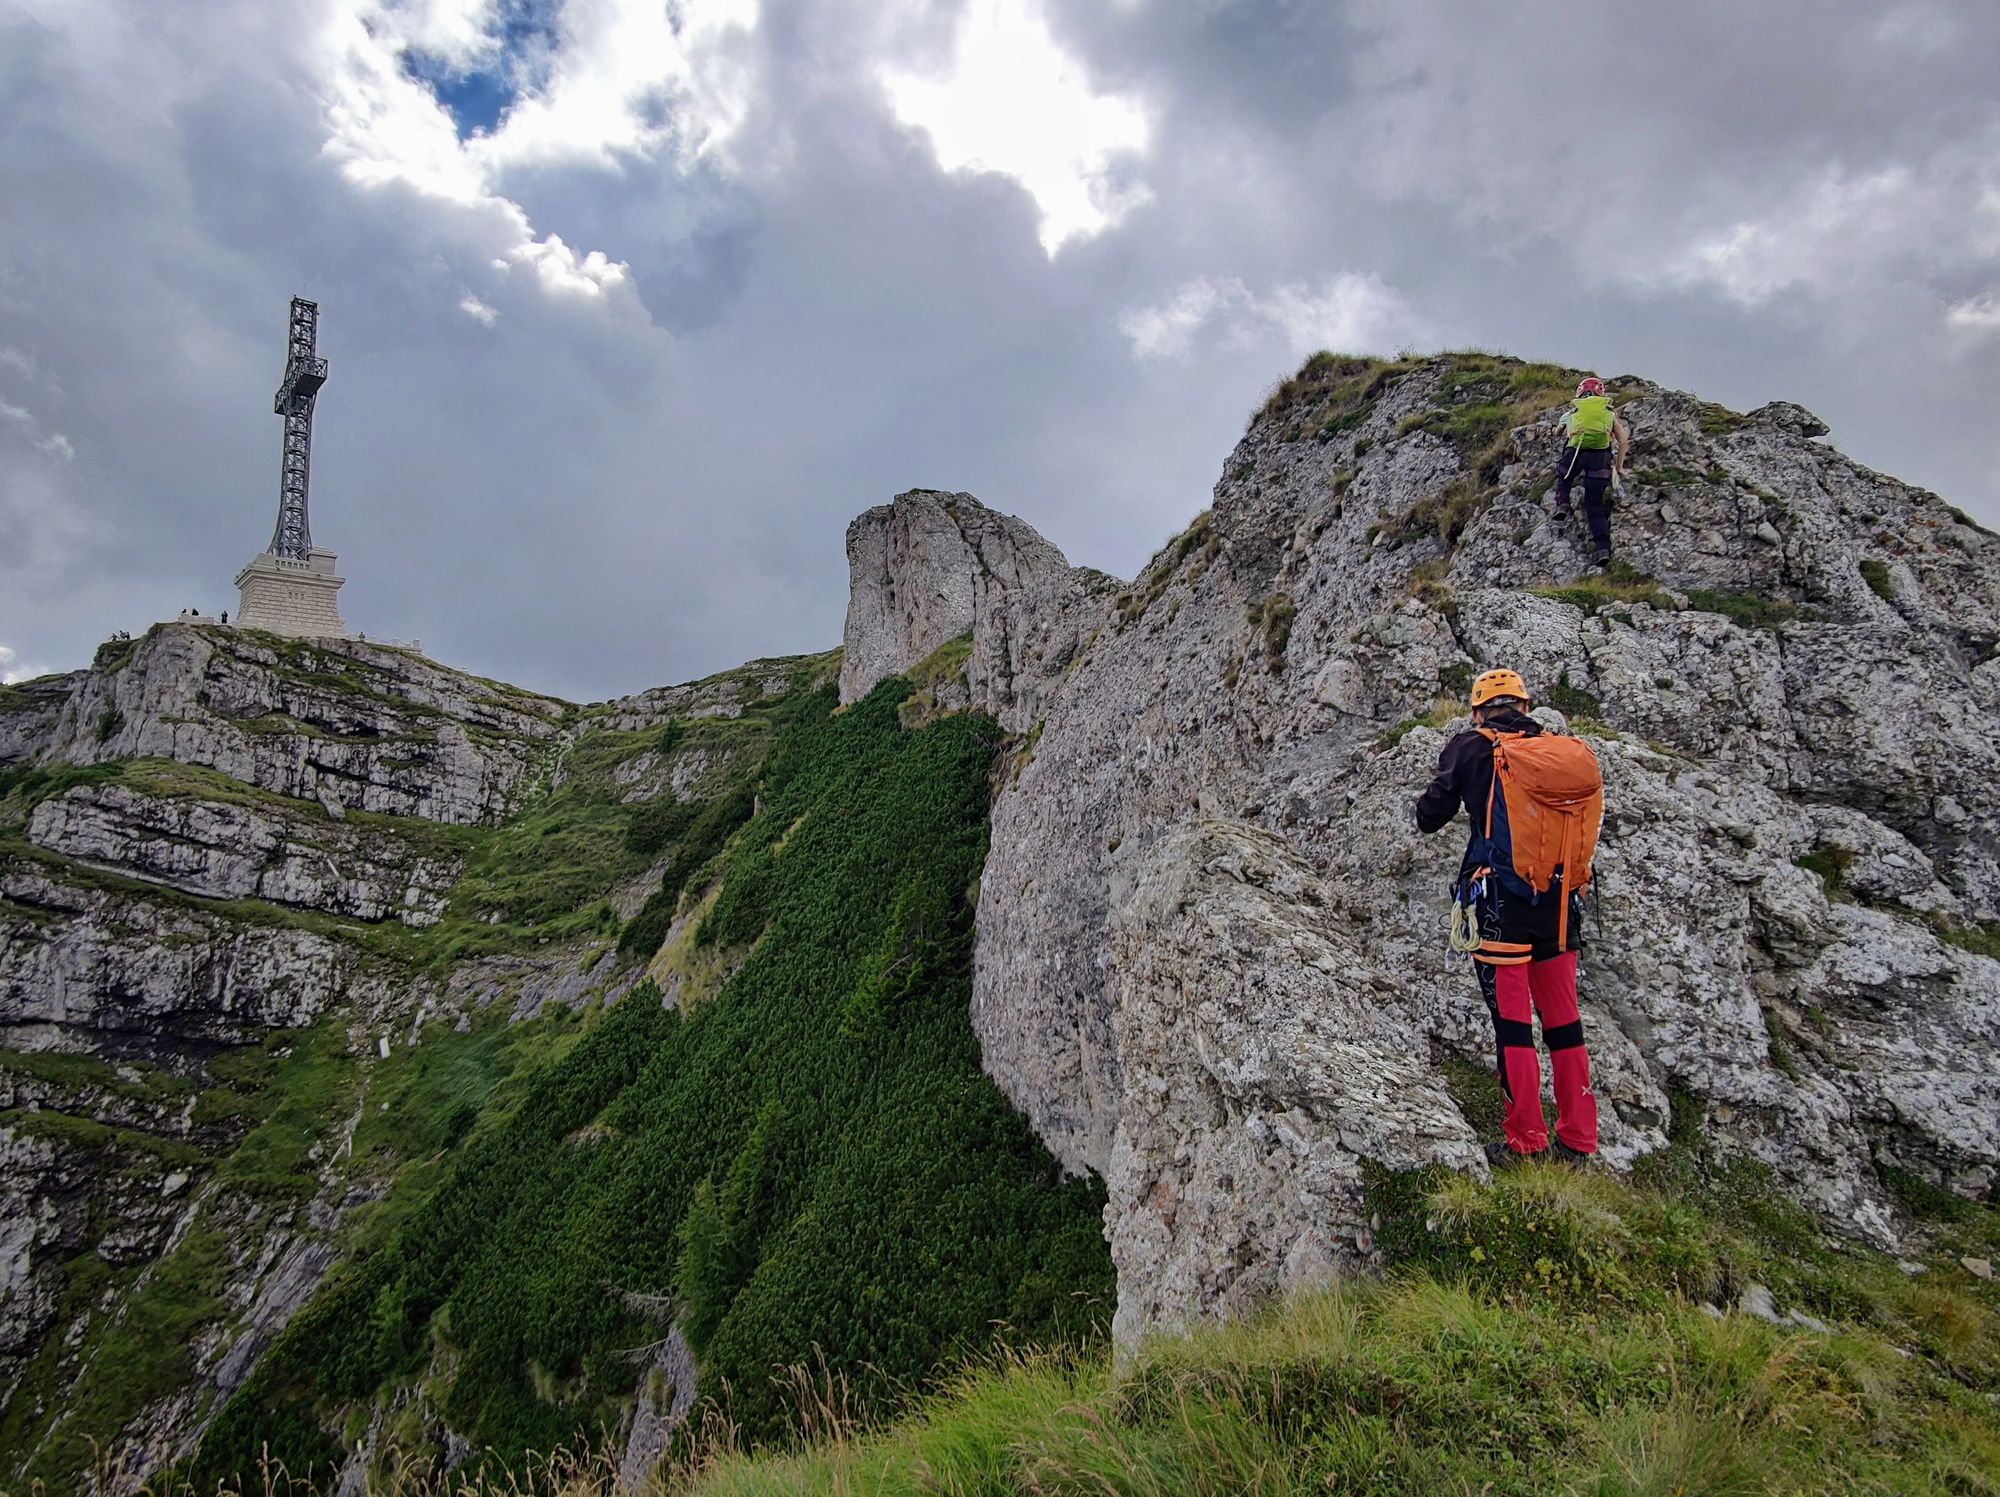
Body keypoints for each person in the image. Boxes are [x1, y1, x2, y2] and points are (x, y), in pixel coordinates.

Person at [1414, 668, 1601, 1166]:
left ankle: (1526, 1141)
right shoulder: (1557, 751)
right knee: (1564, 1022)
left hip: (1500, 906)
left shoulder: (1471, 747)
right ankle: (1579, 1139)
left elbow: (1429, 817)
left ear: (1478, 711)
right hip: (1561, 906)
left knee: (1514, 1026)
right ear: (1525, 706)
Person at [1555, 377, 1629, 567]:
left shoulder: (1573, 411)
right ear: (1601, 393)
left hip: (1575, 452)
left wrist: (1563, 428)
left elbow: (1557, 432)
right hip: (1600, 457)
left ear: (1580, 392)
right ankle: (1602, 549)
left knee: (1563, 477)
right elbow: (1623, 440)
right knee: (1594, 506)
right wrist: (1619, 468)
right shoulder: (1609, 413)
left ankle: (1562, 505)